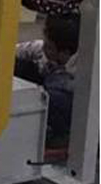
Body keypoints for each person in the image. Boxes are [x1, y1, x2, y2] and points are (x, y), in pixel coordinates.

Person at [15, 14, 80, 143]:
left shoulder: (81, 70)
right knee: (18, 64)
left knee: (53, 98)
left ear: (65, 53)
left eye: (49, 47)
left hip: (70, 106)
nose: (44, 49)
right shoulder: (45, 51)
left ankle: (59, 135)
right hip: (50, 83)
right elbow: (19, 50)